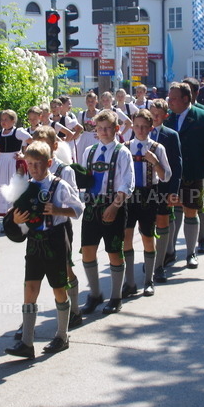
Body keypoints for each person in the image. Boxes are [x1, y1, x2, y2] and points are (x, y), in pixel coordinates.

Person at [3, 142, 84, 358]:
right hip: (34, 242)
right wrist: (17, 220)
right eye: (30, 164)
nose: (34, 169)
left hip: (55, 240)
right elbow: (13, 219)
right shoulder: (25, 186)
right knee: (30, 289)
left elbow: (78, 208)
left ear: (49, 163)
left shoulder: (59, 185)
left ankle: (62, 335)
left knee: (58, 288)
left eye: (38, 164)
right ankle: (27, 342)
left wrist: (58, 210)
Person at [77, 111, 134, 314]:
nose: (103, 131)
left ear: (116, 129)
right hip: (92, 207)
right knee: (88, 252)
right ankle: (95, 294)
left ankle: (116, 297)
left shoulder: (122, 152)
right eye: (100, 128)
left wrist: (115, 206)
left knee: (114, 253)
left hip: (114, 206)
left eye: (108, 127)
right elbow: (82, 179)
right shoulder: (89, 152)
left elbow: (128, 183)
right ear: (95, 130)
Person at [165, 82, 204, 269]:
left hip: (194, 173)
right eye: (169, 97)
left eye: (173, 98)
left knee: (191, 210)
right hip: (172, 176)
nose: (170, 101)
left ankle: (191, 253)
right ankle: (170, 251)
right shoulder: (168, 119)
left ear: (185, 98)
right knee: (172, 212)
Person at [122, 110, 170, 297]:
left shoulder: (158, 148)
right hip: (129, 196)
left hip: (149, 195)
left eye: (144, 127)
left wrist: (156, 163)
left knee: (148, 237)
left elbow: (166, 176)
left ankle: (149, 280)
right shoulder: (125, 147)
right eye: (137, 126)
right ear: (132, 126)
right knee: (126, 237)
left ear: (151, 128)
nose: (141, 130)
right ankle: (130, 282)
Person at [148, 99, 182, 284]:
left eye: (159, 114)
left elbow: (176, 166)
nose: (155, 117)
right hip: (144, 187)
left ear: (165, 116)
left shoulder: (171, 135)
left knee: (162, 222)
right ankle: (150, 258)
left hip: (163, 187)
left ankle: (159, 264)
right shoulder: (140, 133)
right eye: (152, 113)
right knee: (147, 225)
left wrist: (173, 191)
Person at [0, 110, 33, 216]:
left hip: (14, 163)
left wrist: (25, 156)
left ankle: (18, 215)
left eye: (6, 119)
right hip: (1, 163)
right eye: (2, 119)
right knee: (2, 188)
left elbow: (33, 142)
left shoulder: (18, 132)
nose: (3, 122)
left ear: (13, 121)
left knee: (16, 188)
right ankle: (7, 217)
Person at [76, 92, 101, 162]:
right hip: (84, 137)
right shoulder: (82, 114)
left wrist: (100, 134)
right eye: (88, 101)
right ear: (86, 102)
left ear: (96, 101)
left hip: (95, 137)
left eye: (92, 101)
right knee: (82, 156)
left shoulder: (99, 113)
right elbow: (78, 127)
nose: (90, 103)